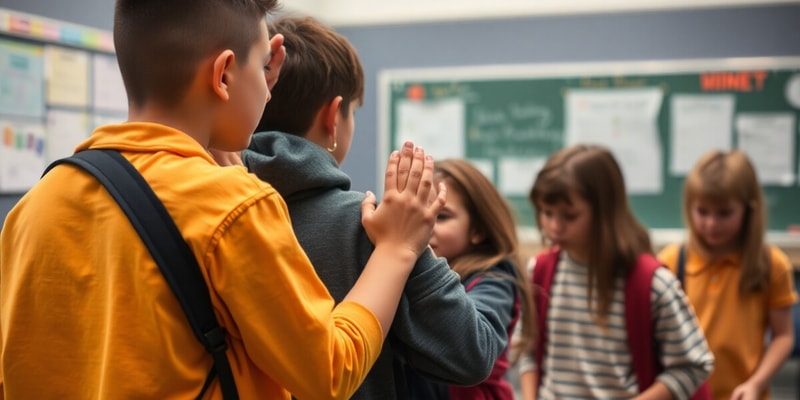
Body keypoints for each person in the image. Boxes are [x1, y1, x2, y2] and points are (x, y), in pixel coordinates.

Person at [0, 1, 446, 398]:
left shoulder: (34, 205)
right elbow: (329, 371)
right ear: (224, 74)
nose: (270, 89)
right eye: (262, 70)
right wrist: (396, 248)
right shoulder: (235, 204)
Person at [242, 16, 508, 399]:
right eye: (353, 111)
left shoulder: (218, 203)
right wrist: (412, 246)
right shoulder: (372, 228)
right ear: (333, 118)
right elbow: (473, 353)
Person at [519, 144, 714, 400]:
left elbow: (694, 366)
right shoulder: (539, 273)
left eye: (570, 216)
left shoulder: (653, 284)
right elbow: (527, 351)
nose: (555, 226)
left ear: (604, 213)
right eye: (547, 213)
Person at [657, 149, 797, 400]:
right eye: (702, 211)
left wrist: (756, 383)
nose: (711, 223)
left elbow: (783, 336)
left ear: (748, 209)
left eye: (724, 213)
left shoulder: (771, 264)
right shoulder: (670, 262)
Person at [401, 159, 536, 399]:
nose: (426, 225)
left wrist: (420, 256)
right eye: (418, 213)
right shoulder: (401, 267)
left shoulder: (495, 276)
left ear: (478, 230)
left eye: (441, 217)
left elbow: (473, 349)